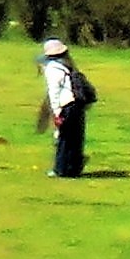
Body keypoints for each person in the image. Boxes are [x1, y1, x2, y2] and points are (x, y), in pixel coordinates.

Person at [38, 38, 94, 179]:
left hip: (66, 105)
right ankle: (74, 168)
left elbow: (54, 92)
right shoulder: (68, 65)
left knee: (64, 138)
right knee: (76, 138)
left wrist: (56, 113)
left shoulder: (52, 69)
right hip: (78, 105)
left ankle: (61, 169)